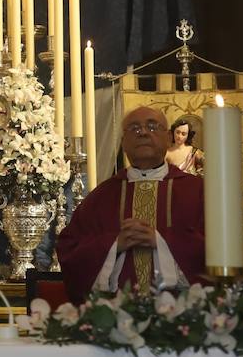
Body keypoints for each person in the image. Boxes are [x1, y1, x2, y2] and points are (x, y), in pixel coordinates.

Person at [55, 106, 205, 303]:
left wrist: (161, 242)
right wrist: (114, 244)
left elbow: (219, 250)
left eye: (152, 126)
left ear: (168, 138)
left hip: (184, 315)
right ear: (123, 142)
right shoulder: (102, 196)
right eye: (134, 128)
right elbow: (70, 252)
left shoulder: (198, 191)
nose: (143, 132)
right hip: (115, 317)